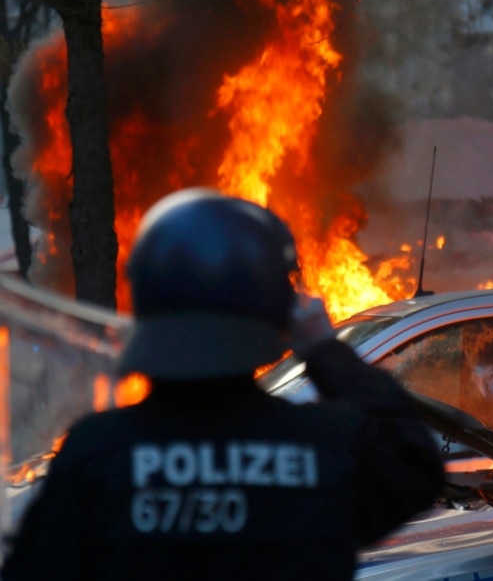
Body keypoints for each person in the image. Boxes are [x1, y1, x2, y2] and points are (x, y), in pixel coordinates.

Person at [1, 188, 445, 580]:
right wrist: (324, 351)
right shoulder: (324, 451)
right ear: (276, 307)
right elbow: (414, 462)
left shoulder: (96, 456)